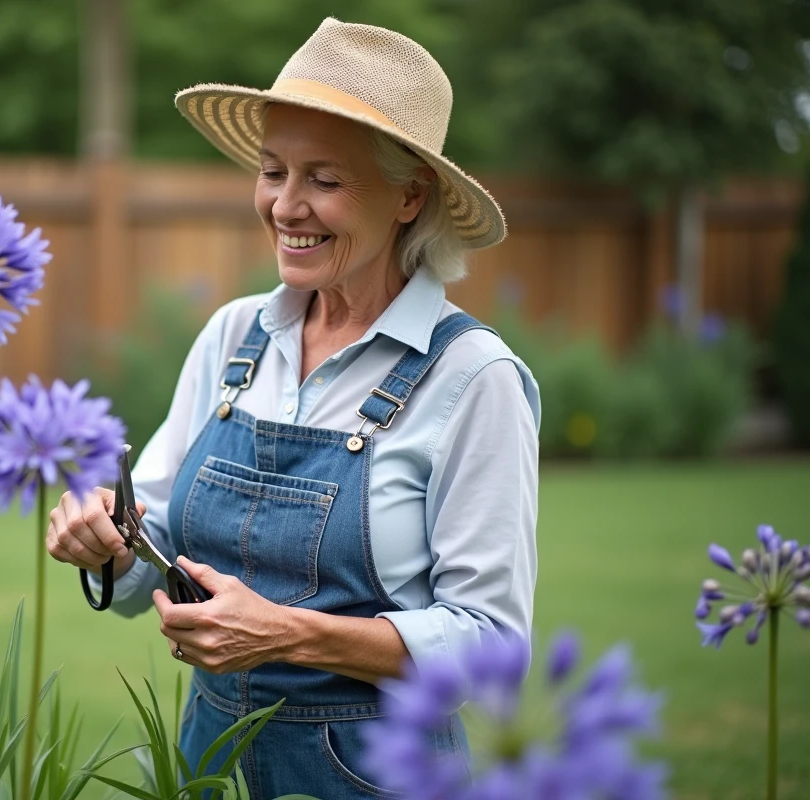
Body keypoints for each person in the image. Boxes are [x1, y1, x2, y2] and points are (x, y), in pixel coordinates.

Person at [46, 17, 541, 797]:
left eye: (324, 179)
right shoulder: (233, 336)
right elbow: (162, 548)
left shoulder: (472, 378)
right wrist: (111, 543)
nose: (284, 206)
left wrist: (289, 635)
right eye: (274, 171)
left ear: (409, 196)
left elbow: (491, 648)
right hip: (211, 764)